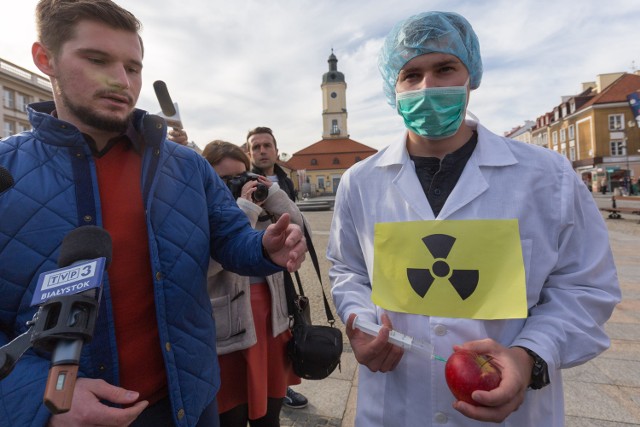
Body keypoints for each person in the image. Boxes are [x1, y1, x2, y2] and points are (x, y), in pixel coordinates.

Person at [0, 1, 306, 427]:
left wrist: (265, 248)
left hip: (188, 405)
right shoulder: (6, 173)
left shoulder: (185, 165)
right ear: (44, 59)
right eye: (96, 60)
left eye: (133, 67)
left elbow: (232, 238)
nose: (121, 81)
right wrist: (36, 398)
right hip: (65, 415)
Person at [327, 11, 620, 426]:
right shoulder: (361, 182)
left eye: (445, 68)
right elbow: (348, 270)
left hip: (511, 408)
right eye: (411, 75)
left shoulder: (547, 177)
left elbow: (585, 287)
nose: (427, 86)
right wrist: (361, 322)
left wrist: (530, 357)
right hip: (395, 403)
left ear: (472, 76)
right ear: (393, 88)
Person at [202, 140, 309, 426]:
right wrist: (242, 212)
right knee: (232, 416)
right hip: (229, 332)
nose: (234, 186)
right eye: (224, 180)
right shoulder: (200, 213)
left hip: (271, 324)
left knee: (269, 416)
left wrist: (272, 194)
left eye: (241, 177)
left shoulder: (261, 208)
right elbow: (205, 269)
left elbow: (301, 231)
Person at [246, 126, 308, 409]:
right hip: (251, 268)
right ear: (249, 152)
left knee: (283, 330)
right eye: (255, 146)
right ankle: (259, 390)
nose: (261, 150)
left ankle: (280, 387)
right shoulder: (240, 180)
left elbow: (297, 220)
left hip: (282, 268)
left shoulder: (284, 178)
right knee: (257, 336)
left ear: (275, 148)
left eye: (266, 145)